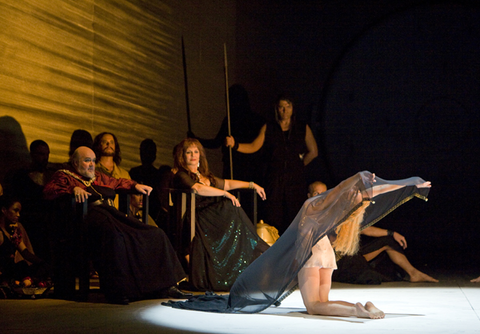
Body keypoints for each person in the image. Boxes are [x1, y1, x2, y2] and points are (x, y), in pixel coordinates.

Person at [163, 171, 431, 318]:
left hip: (313, 253)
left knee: (314, 306)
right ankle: (360, 307)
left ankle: (359, 312)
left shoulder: (314, 205)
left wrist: (292, 265)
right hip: (325, 253)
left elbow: (300, 240)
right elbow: (374, 191)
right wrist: (410, 184)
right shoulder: (338, 208)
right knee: (322, 302)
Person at [43, 146, 191, 304]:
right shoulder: (64, 175)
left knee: (155, 234)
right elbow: (50, 191)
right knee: (115, 237)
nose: (91, 164)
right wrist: (73, 189)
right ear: (75, 162)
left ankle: (165, 285)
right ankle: (120, 290)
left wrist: (134, 186)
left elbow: (119, 182)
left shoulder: (98, 176)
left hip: (109, 214)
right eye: (87, 161)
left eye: (93, 160)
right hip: (85, 219)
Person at [172, 138, 270, 291]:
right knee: (228, 205)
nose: (193, 155)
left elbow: (228, 183)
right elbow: (198, 188)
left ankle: (252, 251)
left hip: (214, 218)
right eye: (189, 152)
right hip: (198, 218)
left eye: (196, 152)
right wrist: (225, 194)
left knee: (231, 208)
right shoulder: (181, 175)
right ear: (182, 156)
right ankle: (256, 247)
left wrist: (252, 184)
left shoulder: (205, 176)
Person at [308, 182, 438, 284]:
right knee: (370, 276)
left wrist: (391, 233)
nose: (321, 197)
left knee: (388, 241)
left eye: (324, 193)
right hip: (337, 263)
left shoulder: (335, 212)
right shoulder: (310, 216)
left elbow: (365, 228)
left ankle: (413, 273)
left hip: (349, 256)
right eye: (316, 193)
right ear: (309, 196)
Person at [226, 93, 318, 235]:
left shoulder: (302, 127)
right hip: (274, 180)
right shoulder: (269, 127)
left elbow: (313, 151)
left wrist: (298, 166)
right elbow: (254, 146)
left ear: (293, 108)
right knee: (273, 216)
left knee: (295, 217)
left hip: (295, 183)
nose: (285, 110)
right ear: (276, 109)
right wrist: (235, 145)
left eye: (288, 106)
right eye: (281, 107)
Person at [188, 84, 265, 182]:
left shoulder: (242, 121)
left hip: (244, 167)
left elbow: (216, 142)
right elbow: (217, 142)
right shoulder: (254, 120)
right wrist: (196, 140)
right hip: (238, 167)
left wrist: (196, 140)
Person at [3, 140, 58, 261]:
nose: (45, 158)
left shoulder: (53, 176)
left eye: (47, 154)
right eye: (41, 154)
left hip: (50, 224)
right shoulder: (21, 176)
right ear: (32, 154)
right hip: (30, 223)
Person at [0, 195, 52, 293]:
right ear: (4, 210)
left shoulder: (13, 231)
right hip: (3, 272)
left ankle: (23, 282)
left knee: (27, 265)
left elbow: (25, 253)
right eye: (15, 210)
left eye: (19, 211)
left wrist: (43, 264)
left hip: (12, 270)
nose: (18, 215)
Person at [129, 139, 168, 224]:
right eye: (144, 151)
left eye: (149, 151)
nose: (146, 155)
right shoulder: (134, 172)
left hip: (154, 212)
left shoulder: (158, 175)